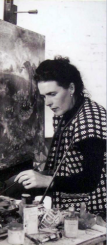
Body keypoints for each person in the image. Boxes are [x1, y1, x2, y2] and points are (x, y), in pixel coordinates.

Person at [14, 56, 106, 217]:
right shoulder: (70, 108)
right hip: (74, 204)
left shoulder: (89, 122)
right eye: (44, 96)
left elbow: (90, 180)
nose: (47, 102)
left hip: (95, 212)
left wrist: (45, 180)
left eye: (52, 94)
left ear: (71, 88)